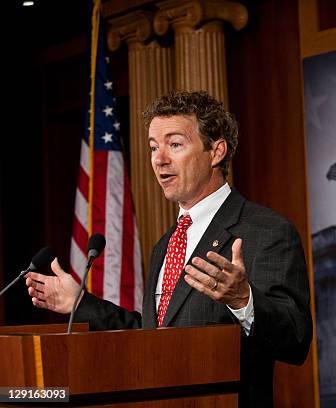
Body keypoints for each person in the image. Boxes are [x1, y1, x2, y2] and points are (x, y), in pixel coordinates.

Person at [25, 90, 313, 407]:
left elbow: (296, 340)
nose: (159, 159)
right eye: (153, 147)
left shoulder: (266, 231)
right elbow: (155, 339)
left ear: (216, 152)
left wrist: (245, 300)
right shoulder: (165, 245)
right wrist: (80, 303)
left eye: (174, 144)